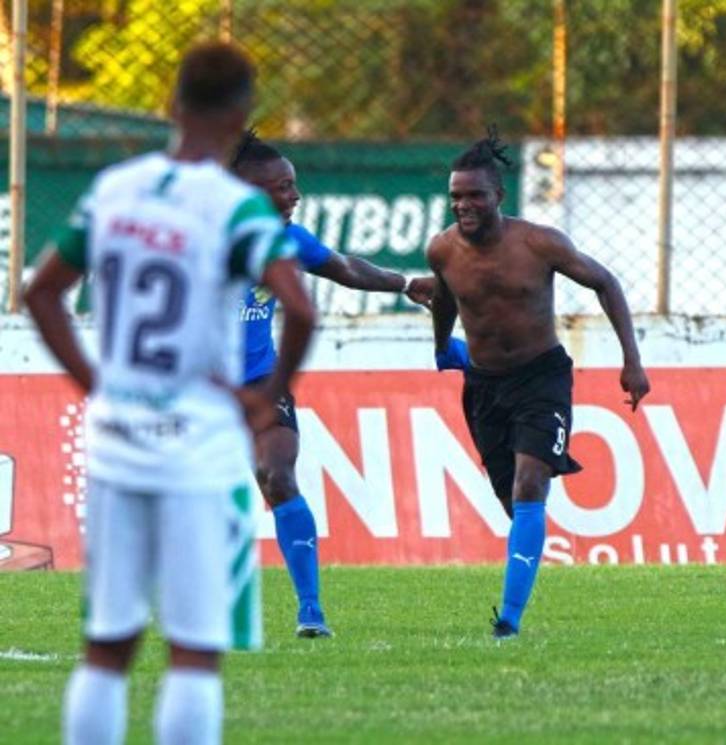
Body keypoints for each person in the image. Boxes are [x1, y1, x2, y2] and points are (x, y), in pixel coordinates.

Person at [24, 43, 315, 745]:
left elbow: (41, 292)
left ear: (173, 106)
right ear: (241, 112)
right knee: (194, 652)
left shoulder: (116, 190)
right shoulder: (237, 208)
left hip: (119, 440)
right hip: (201, 449)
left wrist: (97, 383)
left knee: (107, 645)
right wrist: (267, 392)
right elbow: (301, 311)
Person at [427, 130, 650, 639]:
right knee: (514, 501)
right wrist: (442, 345)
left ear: (499, 196)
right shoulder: (441, 250)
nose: (464, 204)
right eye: (456, 196)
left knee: (532, 483)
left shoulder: (538, 243)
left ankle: (508, 619)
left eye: (475, 195)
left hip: (541, 377)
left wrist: (632, 361)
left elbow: (605, 282)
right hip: (484, 387)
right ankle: (521, 583)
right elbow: (445, 299)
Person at [229, 131, 439, 637]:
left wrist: (406, 283)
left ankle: (311, 611)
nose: (294, 196)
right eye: (282, 187)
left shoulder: (286, 240)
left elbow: (343, 268)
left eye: (294, 185)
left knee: (277, 476)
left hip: (262, 382)